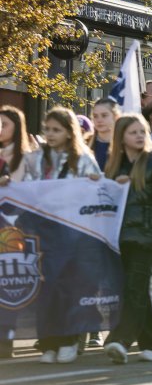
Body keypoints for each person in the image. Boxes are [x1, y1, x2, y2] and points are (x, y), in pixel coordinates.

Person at [23, 107, 102, 363]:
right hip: (45, 232)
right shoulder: (38, 159)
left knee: (71, 287)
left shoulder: (83, 159)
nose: (51, 134)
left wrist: (92, 183)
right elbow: (28, 186)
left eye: (57, 130)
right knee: (48, 288)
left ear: (70, 133)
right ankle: (49, 342)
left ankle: (69, 339)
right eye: (48, 129)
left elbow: (97, 191)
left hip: (74, 232)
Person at [102, 115, 152, 364]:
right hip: (120, 237)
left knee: (134, 289)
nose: (139, 136)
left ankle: (120, 340)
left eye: (142, 131)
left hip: (145, 237)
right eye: (132, 132)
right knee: (136, 291)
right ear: (121, 137)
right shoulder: (115, 164)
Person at [87, 99, 121, 348]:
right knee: (91, 275)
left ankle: (118, 326)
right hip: (90, 218)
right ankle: (93, 327)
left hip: (117, 219)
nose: (99, 120)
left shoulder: (122, 146)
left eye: (104, 115)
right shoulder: (85, 146)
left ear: (114, 117)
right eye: (95, 115)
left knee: (116, 274)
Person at [0, 106, 33, 359]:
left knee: (9, 285)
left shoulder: (25, 158)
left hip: (12, 231)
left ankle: (6, 337)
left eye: (4, 124)